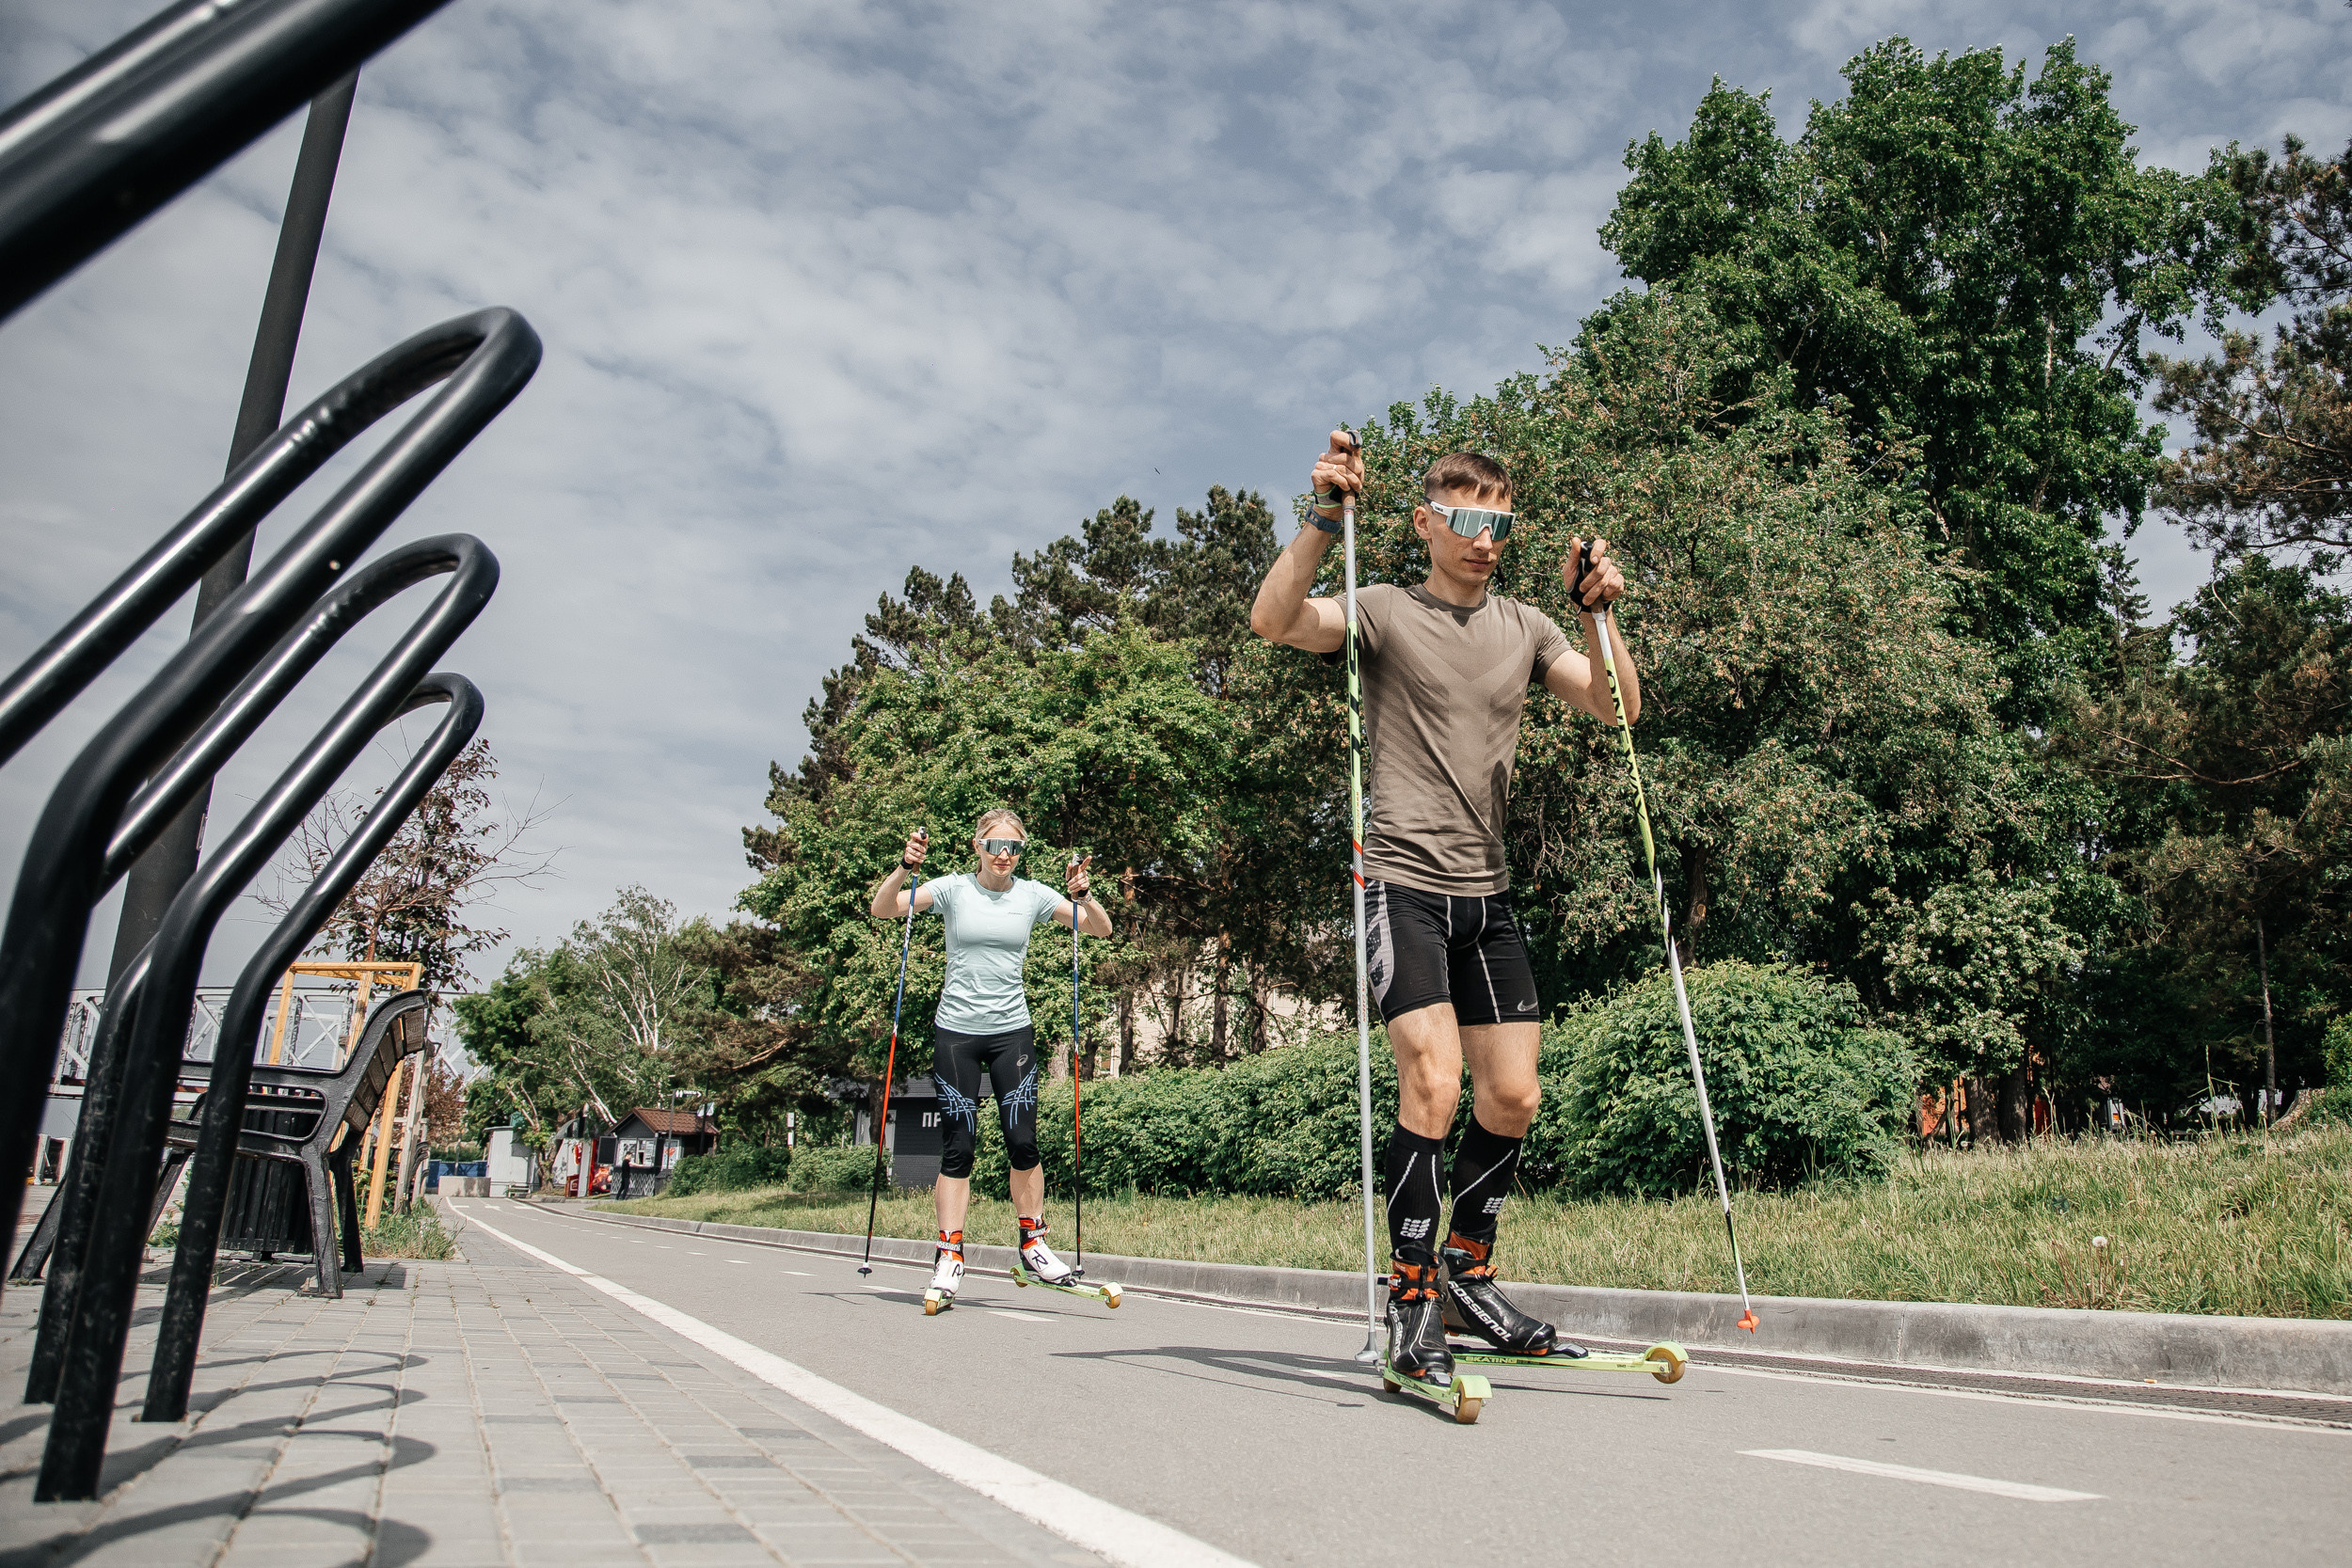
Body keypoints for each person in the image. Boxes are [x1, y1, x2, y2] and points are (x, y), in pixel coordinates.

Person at [1248, 433, 1640, 1393]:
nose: (1483, 538)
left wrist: (1598, 615)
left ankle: (1467, 1271)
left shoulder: (1526, 625)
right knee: (1432, 1080)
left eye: (1498, 522)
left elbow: (1619, 707)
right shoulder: (1384, 609)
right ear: (1425, 522)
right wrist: (1322, 514)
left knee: (1513, 1097)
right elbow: (1273, 619)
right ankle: (1412, 1294)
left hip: (1487, 892)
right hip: (1404, 882)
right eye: (1464, 518)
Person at [869, 809, 1115, 1309]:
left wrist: (1083, 895)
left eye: (1015, 848)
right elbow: (884, 908)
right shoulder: (952, 890)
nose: (1006, 855)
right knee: (959, 1145)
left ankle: (1034, 1244)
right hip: (957, 1032)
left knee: (1023, 1140)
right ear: (977, 846)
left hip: (1011, 1033)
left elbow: (1101, 930)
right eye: (996, 845)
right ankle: (949, 1255)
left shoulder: (1032, 895)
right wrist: (903, 864)